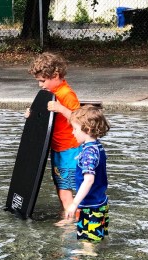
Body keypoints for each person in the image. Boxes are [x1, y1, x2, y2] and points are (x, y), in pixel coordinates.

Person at [28, 52, 81, 216]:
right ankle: (68, 212)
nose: (40, 85)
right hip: (57, 148)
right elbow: (44, 117)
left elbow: (81, 120)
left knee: (67, 187)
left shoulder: (66, 94)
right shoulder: (49, 94)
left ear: (56, 75)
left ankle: (72, 218)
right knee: (61, 185)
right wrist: (32, 114)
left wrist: (61, 109)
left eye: (43, 80)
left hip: (70, 149)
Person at [65, 105, 110, 242]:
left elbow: (89, 180)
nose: (73, 132)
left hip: (90, 208)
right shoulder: (97, 146)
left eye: (75, 129)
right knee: (99, 237)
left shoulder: (88, 153)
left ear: (88, 129)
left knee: (87, 242)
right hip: (100, 202)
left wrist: (74, 203)